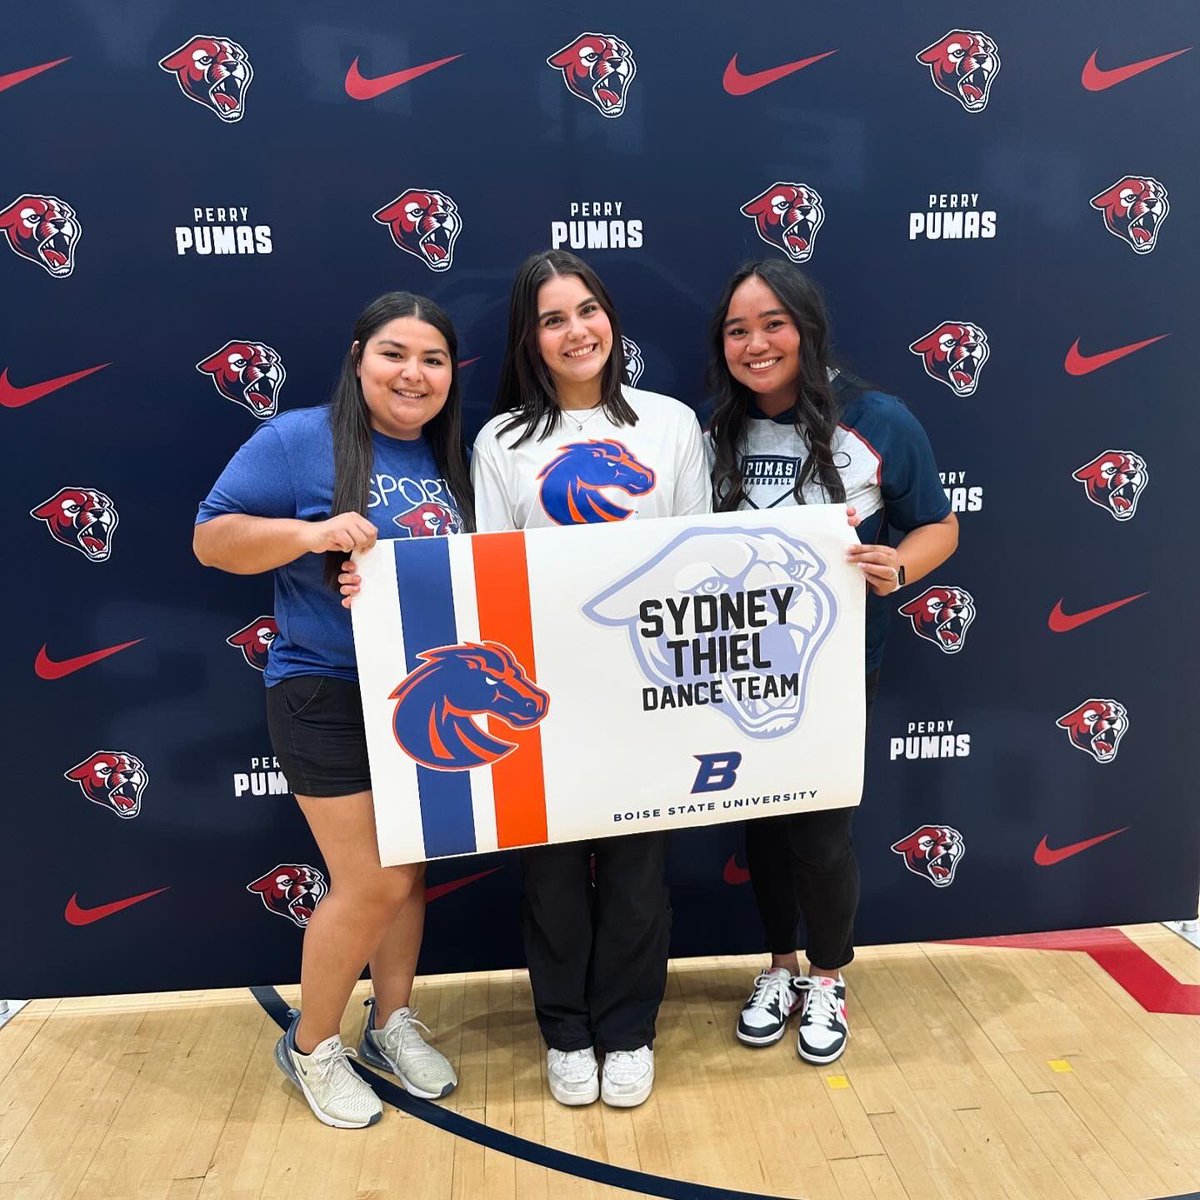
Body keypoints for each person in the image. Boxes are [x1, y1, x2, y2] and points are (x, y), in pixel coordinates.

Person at [193, 292, 471, 1129]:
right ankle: (313, 1044)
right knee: (373, 881)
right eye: (394, 353)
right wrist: (311, 537)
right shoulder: (298, 440)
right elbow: (211, 539)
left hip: (422, 694)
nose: (412, 374)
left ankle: (390, 1022)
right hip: (324, 688)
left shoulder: (449, 458)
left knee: (409, 871)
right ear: (359, 357)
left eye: (432, 359)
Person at [472, 249, 710, 1108]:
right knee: (554, 877)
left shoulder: (670, 424)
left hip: (647, 689)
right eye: (552, 319)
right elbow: (491, 574)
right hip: (544, 696)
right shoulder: (501, 441)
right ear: (529, 340)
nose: (576, 331)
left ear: (611, 317)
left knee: (640, 873)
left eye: (587, 310)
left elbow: (698, 560)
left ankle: (628, 1029)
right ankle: (566, 1032)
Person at [706, 260, 958, 1066]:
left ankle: (828, 974)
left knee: (819, 829)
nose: (756, 343)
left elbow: (939, 527)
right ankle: (779, 966)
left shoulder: (879, 419)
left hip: (839, 664)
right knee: (764, 829)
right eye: (738, 329)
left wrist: (901, 567)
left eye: (772, 323)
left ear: (807, 327)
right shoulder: (716, 433)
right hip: (742, 667)